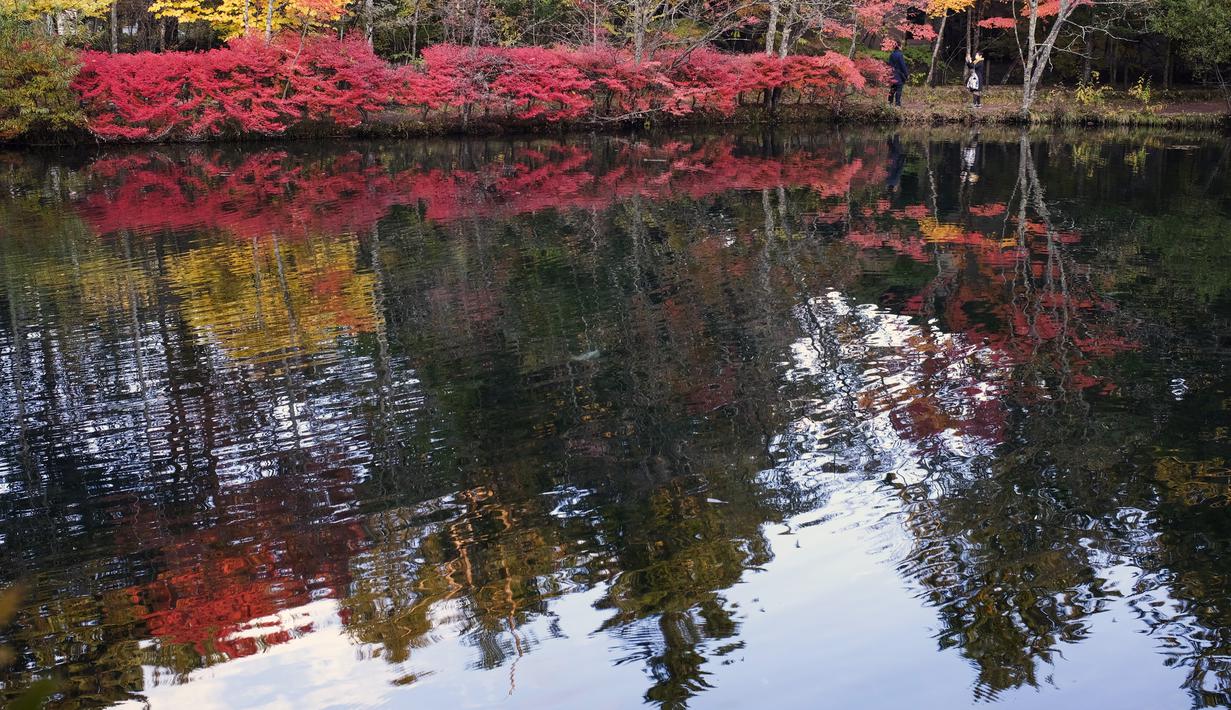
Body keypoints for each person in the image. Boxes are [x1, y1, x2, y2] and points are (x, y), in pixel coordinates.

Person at [887, 42, 908, 107]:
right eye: (901, 46)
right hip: (899, 75)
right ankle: (897, 104)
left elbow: (889, 65)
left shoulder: (891, 54)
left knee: (892, 89)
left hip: (892, 74)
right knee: (899, 89)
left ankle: (889, 103)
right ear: (899, 46)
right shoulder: (900, 55)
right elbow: (903, 66)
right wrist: (906, 74)